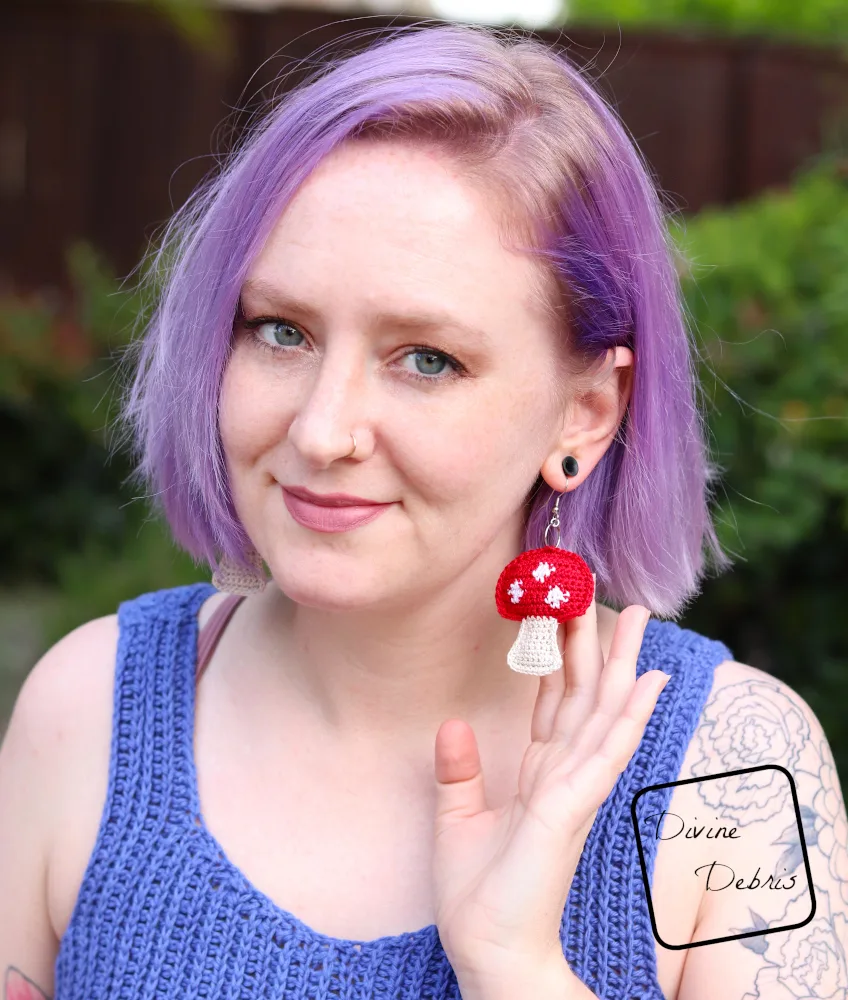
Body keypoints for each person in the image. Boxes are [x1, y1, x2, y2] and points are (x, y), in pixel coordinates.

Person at [1, 21, 845, 1000]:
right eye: (280, 330)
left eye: (425, 359)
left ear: (585, 411)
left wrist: (515, 969)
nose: (322, 429)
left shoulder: (723, 776)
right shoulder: (89, 712)